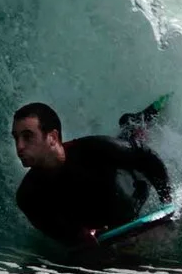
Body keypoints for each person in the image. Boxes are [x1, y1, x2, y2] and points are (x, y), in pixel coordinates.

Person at [10, 100, 172, 248]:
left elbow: (145, 156)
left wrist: (167, 197)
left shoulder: (94, 148)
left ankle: (135, 124)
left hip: (136, 185)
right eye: (16, 138)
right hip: (109, 214)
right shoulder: (28, 196)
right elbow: (62, 234)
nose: (19, 147)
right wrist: (81, 236)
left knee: (130, 140)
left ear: (52, 137)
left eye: (27, 137)